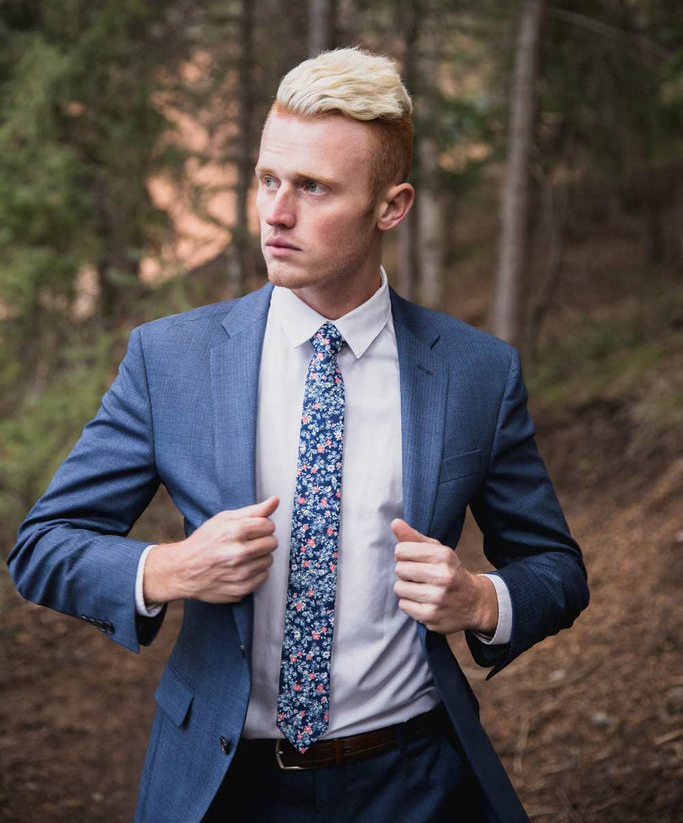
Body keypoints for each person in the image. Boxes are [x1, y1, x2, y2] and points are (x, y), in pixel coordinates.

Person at [8, 47, 588, 823]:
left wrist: (483, 599)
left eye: (312, 188)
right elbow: (43, 546)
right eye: (267, 180)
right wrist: (170, 568)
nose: (275, 214)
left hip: (416, 781)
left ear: (392, 206)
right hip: (226, 787)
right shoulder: (170, 358)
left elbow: (556, 568)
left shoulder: (476, 373)